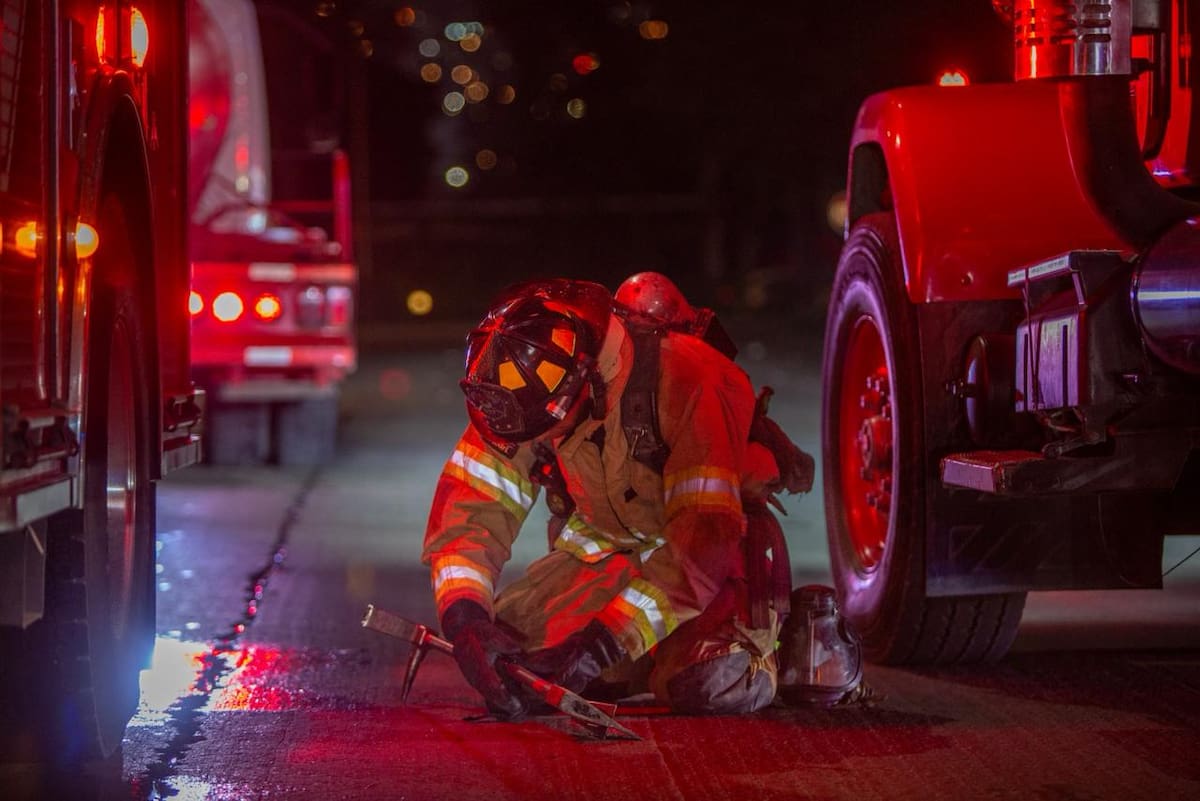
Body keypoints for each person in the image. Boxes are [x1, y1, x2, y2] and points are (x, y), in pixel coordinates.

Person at [421, 276, 811, 718]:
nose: (535, 442)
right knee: (510, 656)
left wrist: (600, 646)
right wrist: (465, 618)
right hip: (616, 559)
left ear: (586, 387)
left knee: (711, 679)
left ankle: (765, 647)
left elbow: (698, 551)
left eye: (546, 431)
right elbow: (469, 512)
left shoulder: (691, 381)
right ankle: (639, 660)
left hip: (712, 566)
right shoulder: (521, 387)